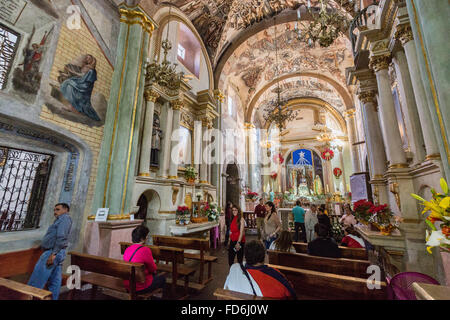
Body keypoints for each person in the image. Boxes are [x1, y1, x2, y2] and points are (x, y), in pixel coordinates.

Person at [27, 203, 73, 300]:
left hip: (52, 252)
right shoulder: (61, 220)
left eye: (57, 209)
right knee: (54, 282)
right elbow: (54, 236)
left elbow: (61, 237)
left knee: (36, 281)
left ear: (65, 210)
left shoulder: (64, 219)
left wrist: (53, 254)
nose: (55, 212)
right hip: (57, 252)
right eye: (54, 210)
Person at [224, 240, 297, 299]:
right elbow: (291, 293)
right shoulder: (275, 275)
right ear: (264, 256)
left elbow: (226, 288)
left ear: (245, 256)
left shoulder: (234, 269)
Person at [123, 225, 166, 294]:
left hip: (128, 284)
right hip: (140, 286)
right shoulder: (145, 250)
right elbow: (153, 268)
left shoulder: (127, 249)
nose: (147, 238)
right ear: (142, 238)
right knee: (162, 278)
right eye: (146, 236)